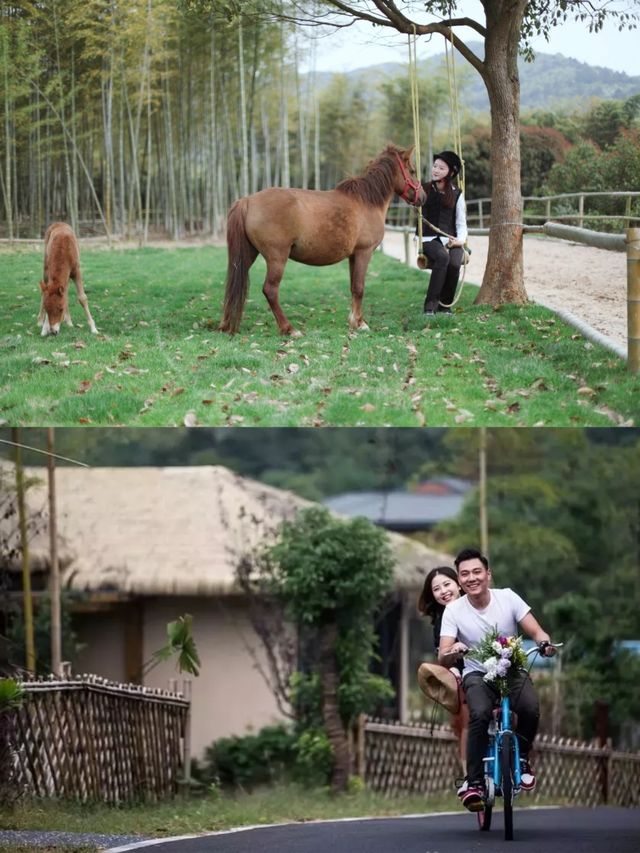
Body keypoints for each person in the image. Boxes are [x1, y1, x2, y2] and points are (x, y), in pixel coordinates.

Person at [438, 548, 556, 813]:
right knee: (478, 714)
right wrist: (452, 650)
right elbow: (443, 655)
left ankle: (523, 758)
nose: (471, 578)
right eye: (465, 574)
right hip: (477, 673)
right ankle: (475, 782)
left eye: (477, 572)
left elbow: (537, 631)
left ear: (488, 574)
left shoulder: (508, 598)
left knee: (529, 707)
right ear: (459, 580)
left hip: (511, 668)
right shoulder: (453, 611)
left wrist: (544, 643)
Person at [417, 566, 469, 774]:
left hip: (492, 667)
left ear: (458, 584)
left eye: (447, 584)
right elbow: (444, 656)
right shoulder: (442, 620)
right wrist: (455, 668)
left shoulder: (477, 606)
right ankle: (469, 777)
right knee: (469, 722)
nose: (443, 591)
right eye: (436, 589)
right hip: (461, 675)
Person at [417, 150, 468, 316]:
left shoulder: (457, 194)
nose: (435, 170)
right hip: (427, 238)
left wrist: (460, 241)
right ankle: (430, 307)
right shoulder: (423, 189)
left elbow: (461, 223)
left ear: (451, 172)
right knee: (442, 257)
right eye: (435, 166)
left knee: (454, 262)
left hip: (451, 238)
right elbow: (412, 201)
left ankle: (445, 306)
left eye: (441, 168)